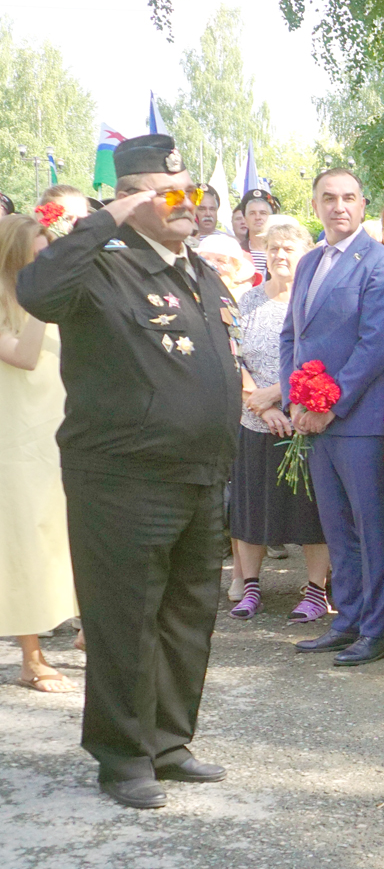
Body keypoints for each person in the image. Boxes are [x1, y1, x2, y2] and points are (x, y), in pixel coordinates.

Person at [16, 134, 240, 809]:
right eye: (169, 191)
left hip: (200, 473)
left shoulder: (195, 268)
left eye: (193, 190)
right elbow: (37, 289)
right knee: (125, 622)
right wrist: (101, 219)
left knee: (187, 616)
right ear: (130, 196)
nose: (187, 202)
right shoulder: (98, 266)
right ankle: (123, 758)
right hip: (123, 478)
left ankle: (169, 744)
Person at [282, 168, 384, 667]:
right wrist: (296, 397)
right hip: (312, 421)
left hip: (357, 420)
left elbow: (375, 346)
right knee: (337, 528)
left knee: (370, 528)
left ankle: (377, 631)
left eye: (349, 197)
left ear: (363, 204)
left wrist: (329, 405)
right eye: (329, 198)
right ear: (315, 206)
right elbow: (295, 335)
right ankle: (348, 620)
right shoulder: (310, 262)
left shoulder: (380, 265)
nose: (339, 206)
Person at [227, 219, 330, 622]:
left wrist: (286, 397)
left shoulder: (317, 300)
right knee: (251, 508)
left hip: (304, 421)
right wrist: (262, 405)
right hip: (254, 421)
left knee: (312, 512)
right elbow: (233, 357)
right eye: (273, 249)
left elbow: (324, 358)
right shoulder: (247, 301)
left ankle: (316, 590)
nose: (280, 255)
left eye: (288, 248)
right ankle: (251, 587)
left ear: (306, 254)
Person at [0, 214, 77, 694]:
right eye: (39, 252)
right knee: (26, 543)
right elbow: (24, 357)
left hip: (64, 432)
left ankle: (89, 632)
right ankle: (31, 657)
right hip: (16, 442)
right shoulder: (18, 306)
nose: (47, 260)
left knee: (75, 535)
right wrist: (42, 302)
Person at [195, 233, 258, 299]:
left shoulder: (245, 298)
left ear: (237, 268)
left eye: (220, 260)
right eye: (204, 259)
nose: (210, 264)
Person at [236, 189, 277, 277]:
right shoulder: (237, 252)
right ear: (245, 219)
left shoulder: (280, 251)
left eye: (263, 213)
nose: (258, 217)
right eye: (252, 213)